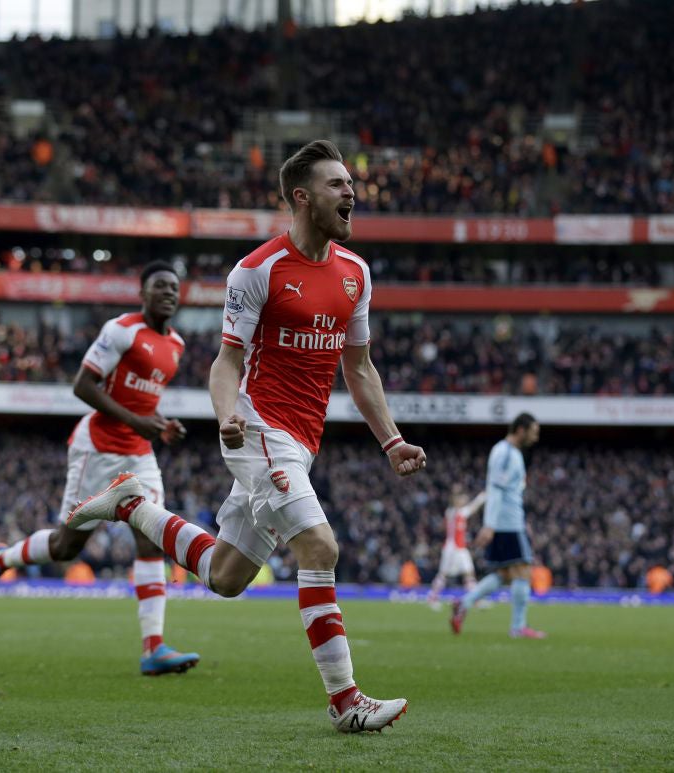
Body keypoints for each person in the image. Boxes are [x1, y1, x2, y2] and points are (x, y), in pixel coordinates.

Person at [69, 140, 427, 733]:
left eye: (350, 183)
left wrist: (391, 441)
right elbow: (226, 361)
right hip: (260, 428)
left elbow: (358, 368)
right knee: (320, 548)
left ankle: (134, 505)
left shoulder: (356, 274)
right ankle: (346, 703)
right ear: (301, 197)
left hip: (301, 443)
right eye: (337, 184)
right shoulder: (257, 270)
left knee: (227, 577)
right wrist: (226, 414)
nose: (351, 193)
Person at [0, 261, 199, 677]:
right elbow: (83, 385)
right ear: (142, 294)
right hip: (98, 450)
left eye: (174, 288)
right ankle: (3, 558)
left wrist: (160, 426)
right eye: (160, 286)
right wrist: (136, 421)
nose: (168, 293)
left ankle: (154, 647)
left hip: (139, 453)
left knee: (151, 538)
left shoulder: (177, 345)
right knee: (65, 547)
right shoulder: (121, 330)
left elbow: (141, 400)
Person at [450, 413, 546, 639]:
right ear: (521, 430)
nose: (536, 437)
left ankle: (463, 604)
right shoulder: (504, 453)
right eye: (533, 432)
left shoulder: (512, 453)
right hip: (507, 523)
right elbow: (496, 491)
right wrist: (490, 525)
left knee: (504, 574)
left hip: (510, 521)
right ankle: (518, 627)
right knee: (524, 570)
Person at [426, 485, 486, 609]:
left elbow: (471, 507)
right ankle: (432, 598)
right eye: (462, 499)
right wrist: (482, 497)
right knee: (443, 574)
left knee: (469, 573)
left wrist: (481, 497)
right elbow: (472, 507)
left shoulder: (458, 512)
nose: (464, 501)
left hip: (461, 548)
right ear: (456, 501)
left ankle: (475, 600)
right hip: (451, 549)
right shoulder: (452, 512)